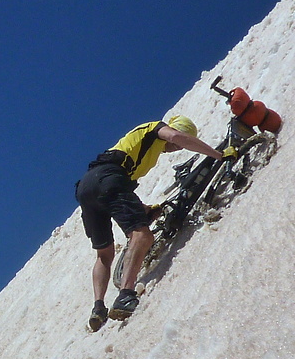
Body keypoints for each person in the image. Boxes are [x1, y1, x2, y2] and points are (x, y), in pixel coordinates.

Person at [75, 115, 230, 330]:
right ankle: (126, 294)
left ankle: (98, 307)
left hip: (86, 188)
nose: (176, 148)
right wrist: (218, 155)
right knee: (142, 236)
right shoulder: (156, 128)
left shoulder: (141, 148)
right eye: (177, 145)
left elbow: (119, 191)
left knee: (104, 254)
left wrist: (144, 210)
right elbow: (175, 136)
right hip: (108, 177)